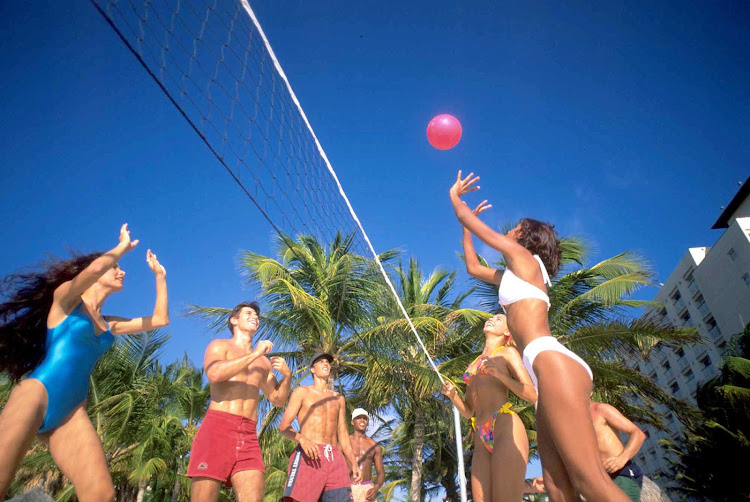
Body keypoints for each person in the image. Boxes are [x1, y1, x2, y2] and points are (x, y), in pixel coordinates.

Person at [450, 171, 630, 502]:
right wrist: (465, 225)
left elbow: (476, 225)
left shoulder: (525, 259)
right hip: (545, 370)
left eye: (516, 226)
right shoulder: (516, 274)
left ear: (526, 237)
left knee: (591, 482)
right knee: (558, 488)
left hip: (553, 363)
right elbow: (474, 268)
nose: (510, 229)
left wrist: (457, 200)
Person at [0, 224, 169, 501]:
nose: (122, 271)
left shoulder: (109, 324)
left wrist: (160, 277)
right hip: (36, 394)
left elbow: (160, 320)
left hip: (71, 414)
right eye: (115, 267)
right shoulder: (65, 301)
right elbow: (89, 272)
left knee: (101, 495)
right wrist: (120, 248)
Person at [188, 301, 292, 502]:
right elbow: (215, 373)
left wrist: (287, 377)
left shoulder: (263, 363)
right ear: (234, 320)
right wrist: (254, 354)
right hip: (217, 426)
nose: (255, 317)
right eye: (249, 313)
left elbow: (278, 400)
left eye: (257, 315)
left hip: (248, 434)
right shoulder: (220, 346)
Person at [441, 312, 536, 502]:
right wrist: (452, 395)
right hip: (481, 434)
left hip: (504, 425)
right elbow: (468, 411)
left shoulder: (507, 353)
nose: (492, 319)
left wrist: (499, 375)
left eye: (498, 319)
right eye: (492, 317)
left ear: (507, 331)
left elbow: (531, 394)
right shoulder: (473, 364)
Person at [279, 352, 362, 501]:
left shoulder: (339, 398)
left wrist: (354, 462)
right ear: (312, 369)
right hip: (309, 454)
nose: (326, 364)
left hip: (335, 458)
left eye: (327, 362)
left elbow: (343, 436)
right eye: (321, 362)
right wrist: (302, 440)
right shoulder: (302, 392)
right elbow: (283, 427)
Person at [590, 400, 646, 502]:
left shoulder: (600, 409)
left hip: (620, 474)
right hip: (598, 483)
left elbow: (637, 434)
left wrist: (622, 458)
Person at [348, 408, 384, 502]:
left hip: (367, 489)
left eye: (365, 418)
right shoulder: (345, 442)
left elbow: (380, 473)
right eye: (359, 418)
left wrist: (376, 488)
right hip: (348, 487)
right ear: (352, 422)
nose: (362, 420)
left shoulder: (374, 446)